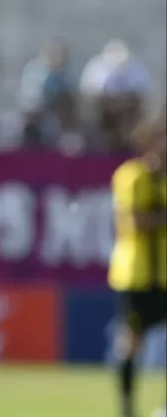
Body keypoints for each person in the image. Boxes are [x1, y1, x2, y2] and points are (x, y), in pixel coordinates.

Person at [108, 116, 166, 417]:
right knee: (131, 343)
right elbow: (134, 222)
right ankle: (127, 409)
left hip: (166, 274)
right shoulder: (131, 175)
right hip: (137, 274)